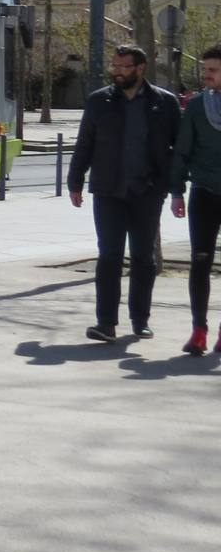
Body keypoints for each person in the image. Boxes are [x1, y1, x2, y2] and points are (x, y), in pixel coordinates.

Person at [68, 44, 182, 343]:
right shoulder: (98, 101)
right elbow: (85, 143)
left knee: (144, 257)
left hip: (147, 191)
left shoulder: (164, 102)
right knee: (109, 256)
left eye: (123, 66)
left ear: (140, 68)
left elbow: (177, 148)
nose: (116, 71)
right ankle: (106, 323)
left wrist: (175, 187)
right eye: (114, 66)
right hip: (108, 190)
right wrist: (75, 180)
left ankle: (140, 320)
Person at [168, 45, 221, 356]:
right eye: (206, 68)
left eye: (213, 69)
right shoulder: (198, 106)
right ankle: (198, 330)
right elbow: (182, 150)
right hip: (204, 192)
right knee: (200, 262)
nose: (206, 74)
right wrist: (176, 191)